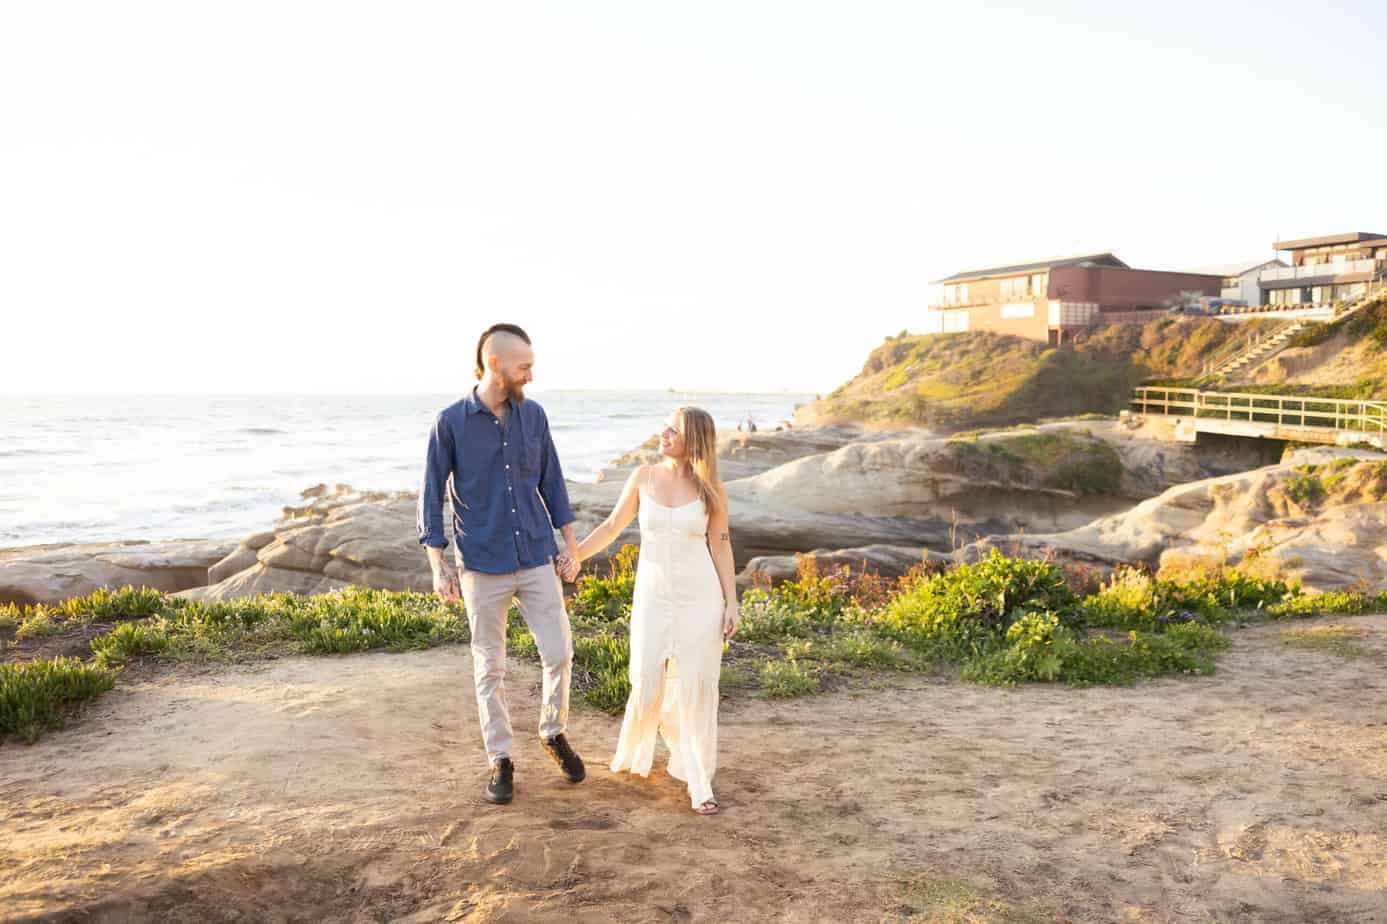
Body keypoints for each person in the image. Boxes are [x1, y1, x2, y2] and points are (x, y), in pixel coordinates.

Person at [417, 322, 586, 806]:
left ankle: (552, 733)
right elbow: (431, 496)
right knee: (489, 666)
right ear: (496, 364)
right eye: (524, 367)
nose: (530, 376)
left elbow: (552, 482)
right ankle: (501, 758)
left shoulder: (534, 418)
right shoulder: (449, 422)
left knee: (559, 653)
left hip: (535, 553)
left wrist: (569, 544)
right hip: (481, 564)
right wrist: (437, 563)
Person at [572, 407, 739, 814]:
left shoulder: (709, 489)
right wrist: (573, 557)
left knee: (695, 686)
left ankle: (699, 780)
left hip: (700, 598)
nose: (664, 433)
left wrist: (732, 602)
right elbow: (612, 527)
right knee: (647, 680)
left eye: (674, 429)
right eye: (665, 426)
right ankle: (646, 749)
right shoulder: (643, 477)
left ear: (693, 440)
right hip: (653, 597)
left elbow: (720, 545)